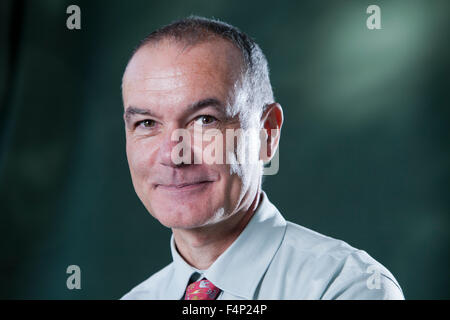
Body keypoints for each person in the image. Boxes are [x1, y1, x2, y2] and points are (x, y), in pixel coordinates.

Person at [120, 16, 404, 300]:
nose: (173, 154)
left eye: (205, 120)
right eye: (146, 123)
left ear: (267, 133)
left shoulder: (347, 287)